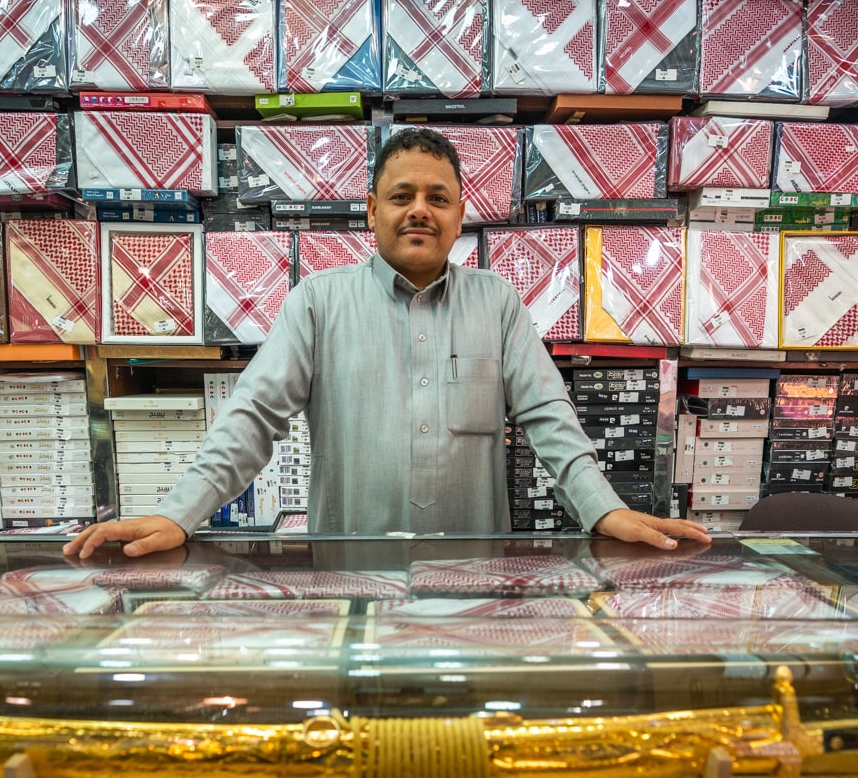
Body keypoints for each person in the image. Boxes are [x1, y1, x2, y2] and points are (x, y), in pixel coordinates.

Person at [66, 128, 710, 559]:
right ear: (372, 210)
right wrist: (182, 513)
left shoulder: (499, 303)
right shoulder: (319, 302)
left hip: (471, 589)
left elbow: (550, 419)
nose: (420, 211)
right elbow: (252, 417)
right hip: (351, 582)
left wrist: (602, 510)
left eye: (439, 197)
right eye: (401, 197)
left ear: (461, 215)